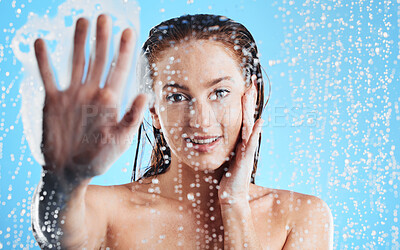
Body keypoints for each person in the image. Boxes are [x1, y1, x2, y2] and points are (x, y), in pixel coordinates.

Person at [31, 13, 333, 249]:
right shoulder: (108, 210)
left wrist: (234, 204)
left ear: (249, 98)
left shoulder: (301, 217)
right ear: (154, 111)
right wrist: (65, 175)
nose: (200, 120)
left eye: (220, 93)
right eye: (177, 96)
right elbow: (55, 235)